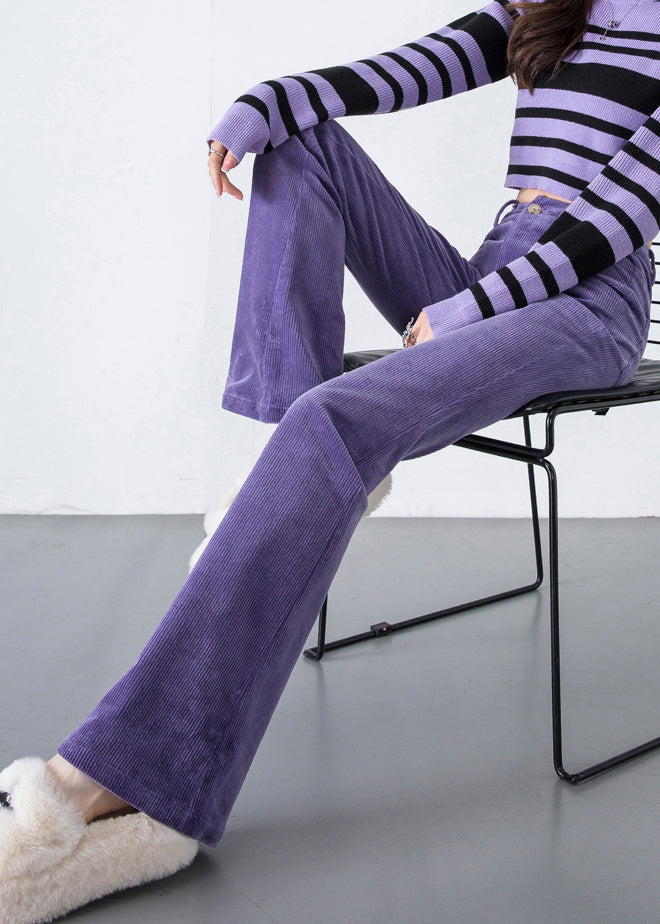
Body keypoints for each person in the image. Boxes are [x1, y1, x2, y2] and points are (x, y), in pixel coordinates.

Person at [2, 0, 659, 919]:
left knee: (335, 421)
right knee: (298, 139)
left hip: (587, 299)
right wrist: (267, 99)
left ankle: (130, 782)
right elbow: (407, 69)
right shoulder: (552, 7)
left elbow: (624, 212)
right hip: (498, 260)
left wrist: (478, 307)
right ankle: (289, 474)